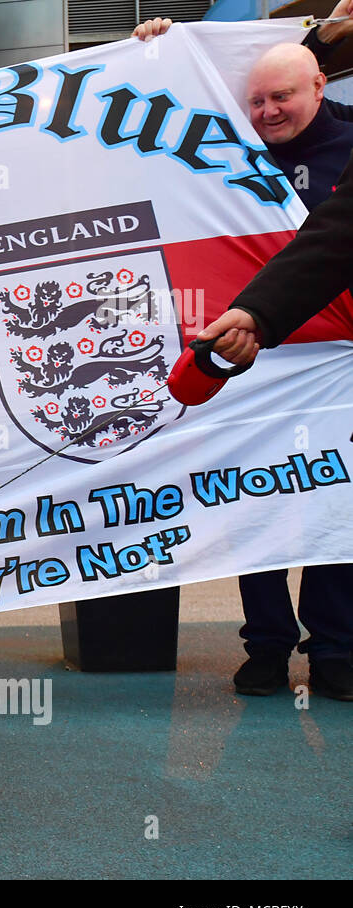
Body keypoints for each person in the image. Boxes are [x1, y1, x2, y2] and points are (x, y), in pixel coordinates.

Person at [146, 15, 353, 700]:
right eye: (256, 101)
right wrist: (161, 54)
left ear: (320, 87)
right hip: (249, 352)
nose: (266, 112)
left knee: (333, 506)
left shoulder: (352, 142)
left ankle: (336, 649)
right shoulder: (227, 144)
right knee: (255, 503)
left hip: (333, 364)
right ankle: (265, 645)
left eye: (282, 98)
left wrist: (323, 37)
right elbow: (157, 119)